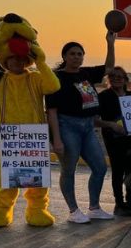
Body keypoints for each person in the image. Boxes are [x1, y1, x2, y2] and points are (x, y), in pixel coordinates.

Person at [0, 13, 61, 227]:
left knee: (37, 180)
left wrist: (40, 59)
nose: (18, 62)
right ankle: (1, 209)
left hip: (34, 137)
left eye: (21, 58)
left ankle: (37, 209)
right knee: (5, 179)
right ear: (3, 58)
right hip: (9, 138)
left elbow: (53, 86)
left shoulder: (36, 78)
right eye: (12, 58)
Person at [46, 33, 115, 223]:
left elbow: (109, 67)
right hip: (67, 125)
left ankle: (94, 207)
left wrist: (111, 43)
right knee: (68, 169)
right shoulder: (56, 78)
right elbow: (51, 111)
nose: (76, 57)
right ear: (65, 57)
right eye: (72, 54)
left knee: (100, 167)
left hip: (87, 126)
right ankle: (73, 211)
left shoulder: (85, 73)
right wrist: (57, 140)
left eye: (79, 54)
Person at [97, 66, 131, 216]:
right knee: (118, 170)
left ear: (126, 80)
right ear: (109, 79)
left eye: (120, 76)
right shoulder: (103, 96)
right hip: (113, 139)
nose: (116, 79)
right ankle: (119, 203)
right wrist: (111, 125)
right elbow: (94, 121)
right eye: (113, 76)